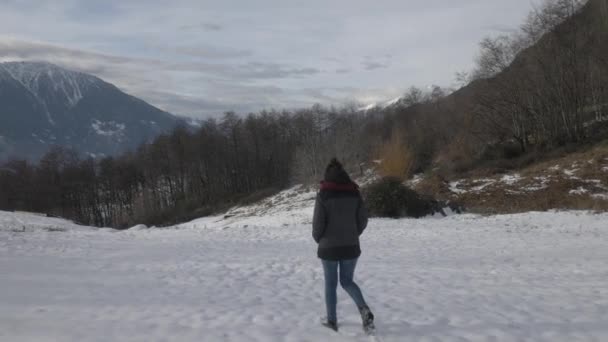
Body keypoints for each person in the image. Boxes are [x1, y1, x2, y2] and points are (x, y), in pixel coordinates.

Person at [312, 158, 374, 333]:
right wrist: (354, 234)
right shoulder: (354, 192)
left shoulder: (323, 194)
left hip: (328, 248)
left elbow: (317, 224)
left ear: (327, 175)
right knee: (347, 281)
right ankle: (364, 310)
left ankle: (332, 321)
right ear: (344, 173)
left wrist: (319, 239)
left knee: (330, 284)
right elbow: (363, 219)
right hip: (351, 246)